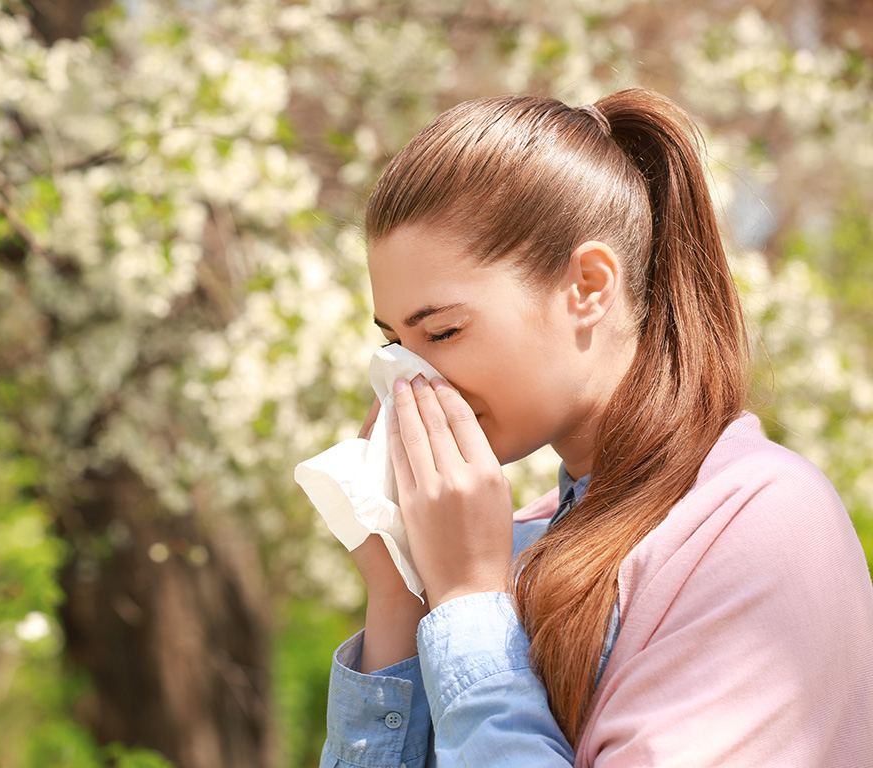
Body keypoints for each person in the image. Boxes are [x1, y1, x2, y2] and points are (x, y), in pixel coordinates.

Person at [317, 88, 873, 767]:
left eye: (442, 331)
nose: (411, 380)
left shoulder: (759, 523)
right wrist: (402, 595)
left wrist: (466, 602)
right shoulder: (516, 546)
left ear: (587, 286)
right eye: (396, 343)